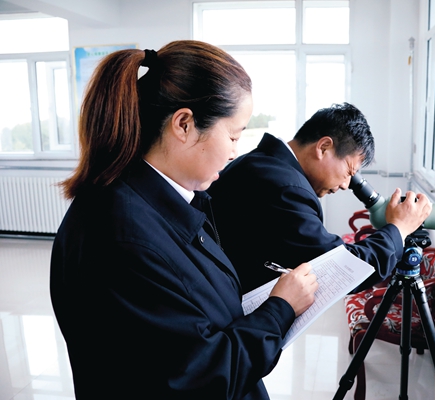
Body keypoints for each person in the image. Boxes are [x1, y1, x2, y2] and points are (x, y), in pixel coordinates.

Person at [49, 40, 318, 400]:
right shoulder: (122, 234)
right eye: (234, 135)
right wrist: (280, 309)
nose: (235, 151)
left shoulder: (161, 201)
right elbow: (200, 376)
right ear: (184, 124)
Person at [207, 103, 432, 294]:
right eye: (349, 172)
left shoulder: (264, 164)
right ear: (324, 147)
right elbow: (340, 270)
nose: (346, 185)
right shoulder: (284, 187)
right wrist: (399, 228)